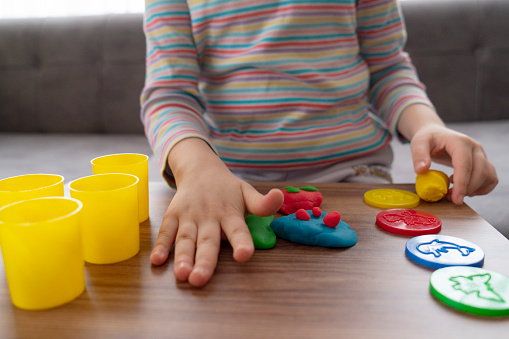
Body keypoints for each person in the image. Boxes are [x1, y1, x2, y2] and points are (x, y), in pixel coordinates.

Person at [140, 0, 498, 287]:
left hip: (354, 178)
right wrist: (197, 169)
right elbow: (170, 93)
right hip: (228, 191)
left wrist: (427, 125)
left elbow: (387, 66)